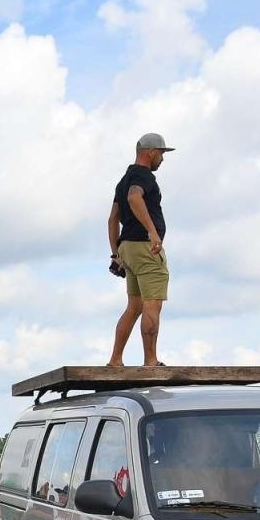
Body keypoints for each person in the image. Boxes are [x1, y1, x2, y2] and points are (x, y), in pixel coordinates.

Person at [107, 132, 175, 368]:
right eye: (162, 154)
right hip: (145, 250)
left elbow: (112, 219)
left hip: (127, 249)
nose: (163, 160)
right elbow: (135, 198)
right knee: (152, 304)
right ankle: (151, 361)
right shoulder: (143, 177)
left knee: (134, 307)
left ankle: (115, 360)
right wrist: (152, 232)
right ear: (152, 152)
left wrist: (116, 254)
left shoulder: (123, 179)